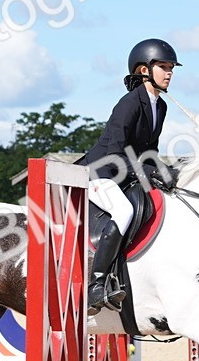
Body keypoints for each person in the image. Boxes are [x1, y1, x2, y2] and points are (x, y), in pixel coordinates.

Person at [77, 38, 180, 314]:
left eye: (171, 67)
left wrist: (165, 170)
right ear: (144, 70)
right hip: (102, 173)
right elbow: (114, 151)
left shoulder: (160, 106)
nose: (169, 72)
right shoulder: (130, 102)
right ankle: (96, 284)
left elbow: (150, 151)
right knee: (123, 212)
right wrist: (147, 171)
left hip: (127, 175)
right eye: (163, 66)